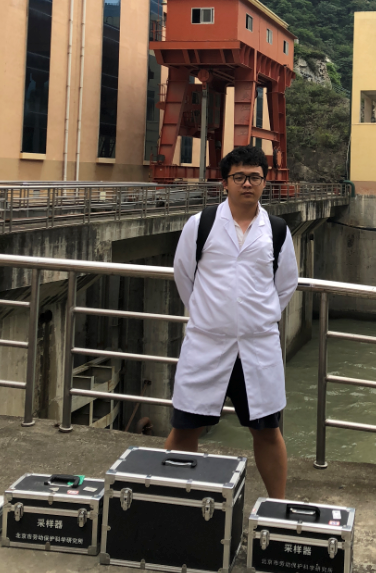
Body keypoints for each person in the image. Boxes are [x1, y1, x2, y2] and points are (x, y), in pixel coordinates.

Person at [165, 146, 299, 499]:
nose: (247, 184)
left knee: (267, 430)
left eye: (254, 177)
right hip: (207, 343)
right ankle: (172, 502)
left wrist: (255, 317)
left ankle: (277, 506)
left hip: (258, 346)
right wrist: (212, 314)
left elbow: (285, 285)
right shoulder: (201, 224)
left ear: (265, 182)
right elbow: (184, 276)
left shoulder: (277, 230)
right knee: (185, 427)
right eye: (238, 177)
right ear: (225, 182)